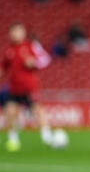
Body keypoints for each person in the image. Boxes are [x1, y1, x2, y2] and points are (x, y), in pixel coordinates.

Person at [0, 22, 53, 152]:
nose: (15, 34)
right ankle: (13, 139)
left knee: (37, 110)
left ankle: (47, 138)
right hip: (14, 87)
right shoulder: (8, 49)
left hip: (30, 86)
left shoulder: (31, 46)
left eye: (18, 31)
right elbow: (2, 67)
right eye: (13, 31)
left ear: (23, 32)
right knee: (10, 112)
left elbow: (46, 59)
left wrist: (34, 62)